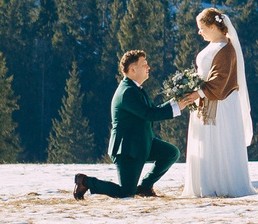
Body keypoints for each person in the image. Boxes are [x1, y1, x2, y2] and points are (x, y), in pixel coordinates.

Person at [72, 49, 182, 199]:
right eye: (144, 64)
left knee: (171, 153)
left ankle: (145, 187)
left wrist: (176, 103)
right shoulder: (127, 92)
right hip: (127, 150)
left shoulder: (135, 88)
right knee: (126, 193)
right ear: (132, 69)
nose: (148, 67)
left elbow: (150, 111)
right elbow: (149, 114)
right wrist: (177, 106)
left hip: (143, 143)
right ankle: (85, 181)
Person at [182, 6, 253, 198]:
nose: (199, 32)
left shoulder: (226, 48)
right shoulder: (215, 46)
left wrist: (199, 92)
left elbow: (221, 78)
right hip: (205, 100)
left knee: (219, 140)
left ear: (213, 26)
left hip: (220, 105)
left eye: (201, 28)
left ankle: (220, 183)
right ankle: (206, 182)